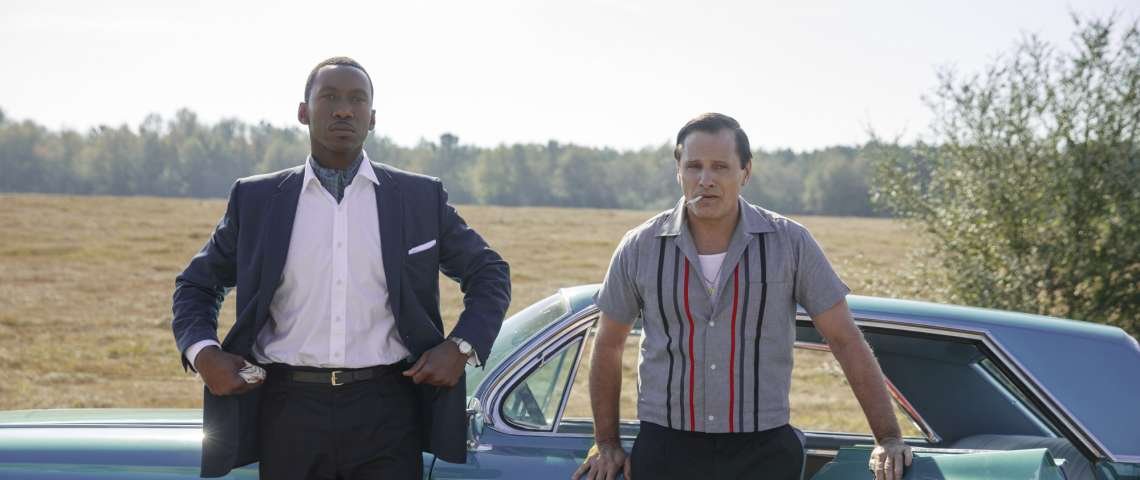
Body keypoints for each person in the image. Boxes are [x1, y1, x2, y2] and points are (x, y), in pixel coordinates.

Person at [171, 56, 510, 479]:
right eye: (329, 97)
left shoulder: (419, 198)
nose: (344, 110)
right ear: (303, 112)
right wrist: (204, 354)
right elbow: (196, 286)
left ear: (372, 118)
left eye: (357, 100)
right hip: (288, 413)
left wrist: (460, 347)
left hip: (388, 412)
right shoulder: (256, 200)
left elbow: (489, 273)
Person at [573, 113, 912, 480]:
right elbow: (608, 344)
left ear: (745, 172)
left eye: (720, 167)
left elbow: (845, 339)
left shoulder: (791, 243)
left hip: (763, 452)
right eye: (694, 166)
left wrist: (888, 438)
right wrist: (607, 442)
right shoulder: (639, 247)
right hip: (665, 449)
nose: (705, 180)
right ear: (678, 171)